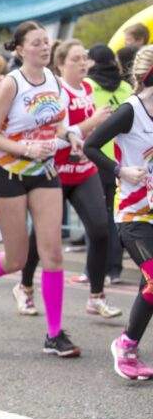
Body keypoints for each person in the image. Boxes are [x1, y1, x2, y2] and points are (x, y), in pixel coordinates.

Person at [0, 21, 82, 357]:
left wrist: (70, 135)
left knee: (53, 253)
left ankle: (54, 334)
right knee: (17, 258)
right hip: (8, 171)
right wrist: (25, 149)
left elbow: (54, 120)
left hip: (44, 171)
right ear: (20, 50)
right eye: (36, 43)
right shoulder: (11, 84)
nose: (44, 48)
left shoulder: (53, 80)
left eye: (47, 42)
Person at [15, 39, 120, 318]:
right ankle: (25, 287)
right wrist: (92, 124)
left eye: (85, 58)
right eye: (76, 59)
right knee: (42, 237)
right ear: (60, 64)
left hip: (84, 171)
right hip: (55, 172)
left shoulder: (87, 88)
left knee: (99, 230)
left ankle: (96, 296)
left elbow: (87, 135)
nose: (84, 63)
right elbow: (54, 137)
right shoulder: (57, 91)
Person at [85, 44, 153, 380]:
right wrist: (120, 171)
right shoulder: (131, 111)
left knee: (150, 285)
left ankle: (128, 345)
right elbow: (90, 146)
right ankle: (125, 345)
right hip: (133, 214)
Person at [82, 44, 134, 285]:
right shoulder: (126, 87)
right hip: (122, 159)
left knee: (95, 217)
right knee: (115, 216)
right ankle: (115, 269)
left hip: (96, 158)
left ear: (92, 62)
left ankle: (93, 270)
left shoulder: (88, 86)